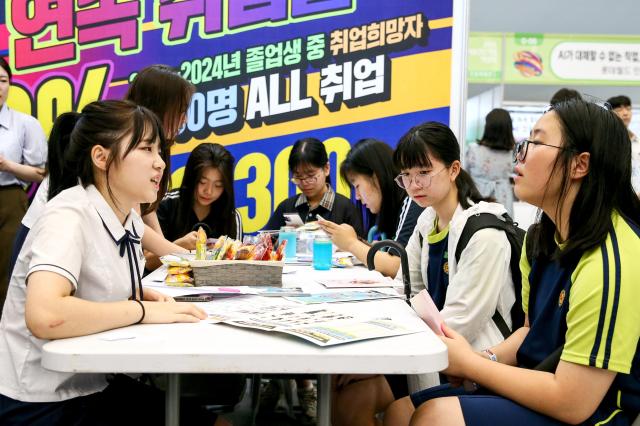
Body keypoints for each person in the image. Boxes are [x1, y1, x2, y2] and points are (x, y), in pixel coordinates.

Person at [388, 98, 640, 426]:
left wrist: (473, 365)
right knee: (399, 412)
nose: (518, 155)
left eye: (534, 143)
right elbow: (530, 330)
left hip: (594, 412)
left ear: (580, 165)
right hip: (540, 381)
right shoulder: (539, 240)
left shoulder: (612, 260)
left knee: (436, 416)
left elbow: (573, 401)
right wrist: (486, 359)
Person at [0, 100, 233, 425]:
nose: (160, 164)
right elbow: (45, 315)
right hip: (43, 399)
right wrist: (141, 310)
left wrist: (134, 297)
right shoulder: (68, 214)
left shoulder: (123, 216)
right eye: (146, 149)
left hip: (91, 380)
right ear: (101, 157)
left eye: (159, 151)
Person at [332, 122, 517, 426]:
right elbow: (404, 292)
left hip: (477, 367)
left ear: (454, 169)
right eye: (406, 176)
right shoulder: (428, 221)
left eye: (424, 173)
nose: (414, 184)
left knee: (372, 402)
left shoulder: (483, 233)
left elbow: (459, 324)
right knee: (350, 396)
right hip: (436, 357)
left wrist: (376, 358)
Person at [11, 64, 195, 275]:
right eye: (180, 112)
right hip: (44, 243)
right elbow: (137, 224)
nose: (185, 120)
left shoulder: (140, 153)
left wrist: (181, 255)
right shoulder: (115, 145)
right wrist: (185, 257)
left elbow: (143, 214)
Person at [319, 138, 423, 277]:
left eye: (357, 186)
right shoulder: (392, 208)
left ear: (376, 176)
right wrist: (361, 244)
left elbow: (397, 266)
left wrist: (351, 243)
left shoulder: (412, 201)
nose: (357, 196)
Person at [0, 56, 47, 315]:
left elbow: (41, 173)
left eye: (3, 80)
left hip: (10, 200)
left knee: (9, 267)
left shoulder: (24, 124)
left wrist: (7, 165)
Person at [154, 142, 242, 256]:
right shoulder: (166, 204)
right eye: (202, 182)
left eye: (218, 185)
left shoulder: (232, 216)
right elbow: (147, 262)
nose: (209, 191)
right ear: (191, 177)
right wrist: (180, 245)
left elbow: (237, 264)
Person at [264, 137, 363, 235]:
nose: (304, 183)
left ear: (326, 168)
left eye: (311, 176)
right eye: (298, 177)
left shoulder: (345, 208)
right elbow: (264, 242)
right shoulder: (286, 207)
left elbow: (360, 246)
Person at [465, 108, 516, 216]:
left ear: (488, 127)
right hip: (504, 202)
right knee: (504, 231)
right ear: (508, 129)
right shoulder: (511, 154)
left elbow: (464, 177)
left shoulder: (473, 150)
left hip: (478, 201)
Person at [608, 95, 640, 194]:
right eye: (619, 109)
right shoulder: (607, 140)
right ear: (609, 113)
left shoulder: (637, 140)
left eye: (628, 109)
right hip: (619, 196)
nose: (625, 113)